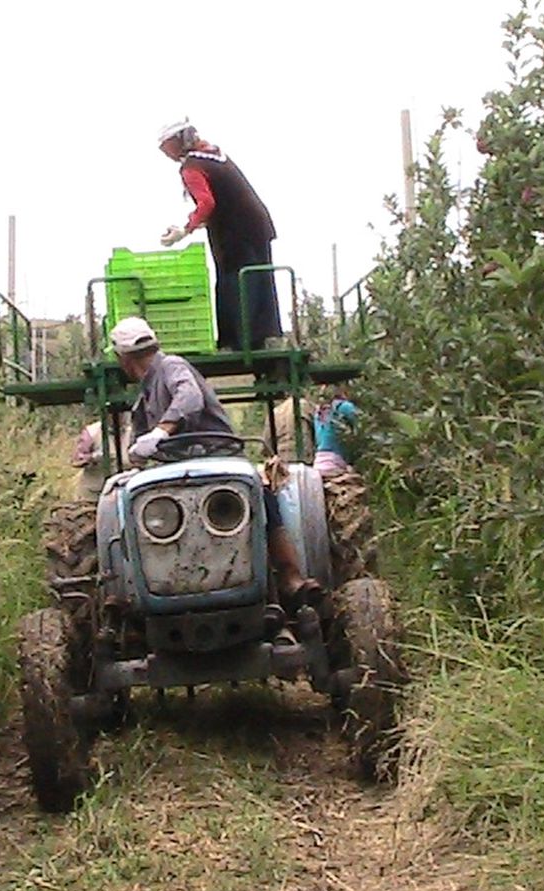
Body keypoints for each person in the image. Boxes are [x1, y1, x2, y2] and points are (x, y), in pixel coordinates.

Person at [109, 315, 320, 602]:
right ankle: (146, 588)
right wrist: (137, 452)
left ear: (124, 359)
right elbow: (141, 441)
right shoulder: (145, 393)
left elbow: (189, 398)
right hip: (175, 468)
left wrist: (161, 431)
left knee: (260, 495)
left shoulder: (172, 366)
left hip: (217, 456)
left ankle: (288, 574)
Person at [156, 119, 282, 352]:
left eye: (166, 147)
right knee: (257, 278)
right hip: (257, 226)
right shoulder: (215, 154)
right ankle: (261, 338)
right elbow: (226, 201)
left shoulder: (192, 167)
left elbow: (207, 202)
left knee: (234, 282)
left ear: (177, 142)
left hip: (235, 235)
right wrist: (193, 224)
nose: (166, 154)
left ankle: (237, 342)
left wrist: (184, 230)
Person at [313, 387, 360, 476]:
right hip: (336, 460)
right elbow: (361, 425)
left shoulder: (318, 412)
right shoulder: (345, 407)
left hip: (319, 460)